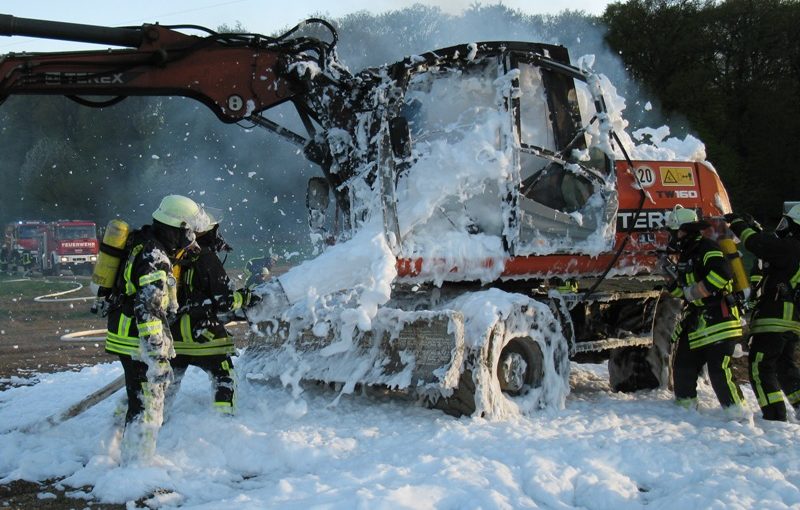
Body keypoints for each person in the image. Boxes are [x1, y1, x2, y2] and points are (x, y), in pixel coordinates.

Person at [104, 194, 209, 463]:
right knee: (147, 402)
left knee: (136, 396)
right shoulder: (156, 257)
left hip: (125, 333)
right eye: (190, 232)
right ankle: (137, 464)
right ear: (179, 228)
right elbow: (148, 309)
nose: (191, 238)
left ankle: (110, 444)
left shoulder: (143, 243)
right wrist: (157, 356)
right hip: (136, 340)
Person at [168, 218, 258, 415]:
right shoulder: (207, 258)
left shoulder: (177, 256)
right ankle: (223, 419)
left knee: (168, 382)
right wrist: (244, 297)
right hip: (205, 336)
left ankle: (155, 418)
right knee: (223, 375)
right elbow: (224, 301)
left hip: (176, 337)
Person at [664, 206, 746, 416]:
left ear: (686, 230)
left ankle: (738, 416)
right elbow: (683, 292)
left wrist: (694, 292)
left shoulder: (707, 247)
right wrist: (669, 280)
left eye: (675, 231)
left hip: (720, 319)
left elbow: (722, 274)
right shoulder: (686, 255)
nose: (673, 236)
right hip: (699, 324)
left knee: (719, 370)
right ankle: (686, 410)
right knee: (682, 366)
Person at [726, 206, 800, 421]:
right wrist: (754, 226)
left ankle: (774, 417)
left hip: (776, 317)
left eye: (786, 224)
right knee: (785, 366)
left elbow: (758, 244)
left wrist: (739, 224)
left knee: (761, 366)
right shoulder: (791, 249)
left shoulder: (791, 247)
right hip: (792, 320)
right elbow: (770, 245)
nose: (782, 229)